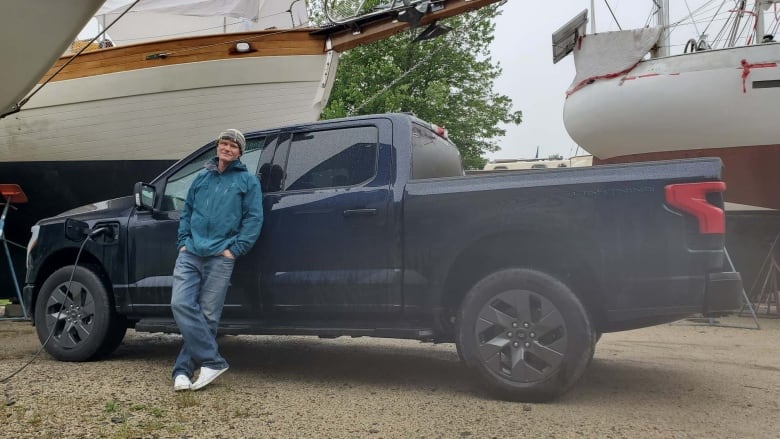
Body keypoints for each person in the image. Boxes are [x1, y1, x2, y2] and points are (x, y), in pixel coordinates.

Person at [170, 128, 263, 391]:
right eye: (224, 143)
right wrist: (183, 242)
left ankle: (182, 371)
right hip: (191, 253)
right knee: (180, 303)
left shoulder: (247, 182)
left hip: (221, 255)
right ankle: (212, 361)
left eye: (234, 146)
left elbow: (254, 219)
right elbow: (187, 211)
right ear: (217, 147)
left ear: (240, 152)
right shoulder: (201, 179)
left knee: (209, 315)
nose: (228, 148)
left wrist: (235, 249)